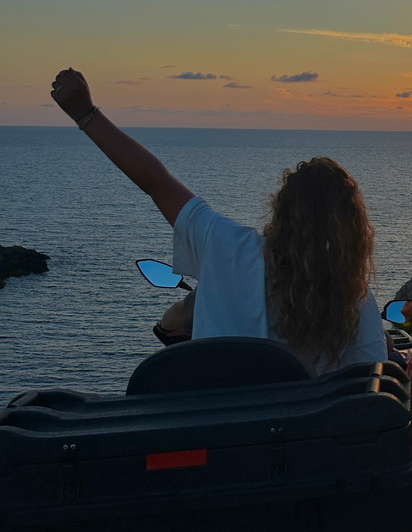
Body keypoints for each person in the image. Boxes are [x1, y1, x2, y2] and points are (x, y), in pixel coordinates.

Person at [50, 68, 387, 375]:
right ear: (353, 230)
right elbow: (368, 386)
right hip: (299, 439)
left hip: (219, 433)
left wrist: (85, 113)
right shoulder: (352, 299)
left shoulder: (224, 246)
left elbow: (156, 182)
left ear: (280, 210)